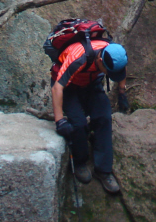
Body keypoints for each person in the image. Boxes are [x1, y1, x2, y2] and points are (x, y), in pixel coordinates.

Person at [52, 35, 129, 193]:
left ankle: (103, 170)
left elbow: (122, 69)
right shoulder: (78, 58)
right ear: (100, 61)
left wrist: (122, 93)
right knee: (78, 124)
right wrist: (59, 121)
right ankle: (80, 161)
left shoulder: (113, 52)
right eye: (108, 72)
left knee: (104, 117)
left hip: (90, 81)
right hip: (68, 87)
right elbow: (57, 88)